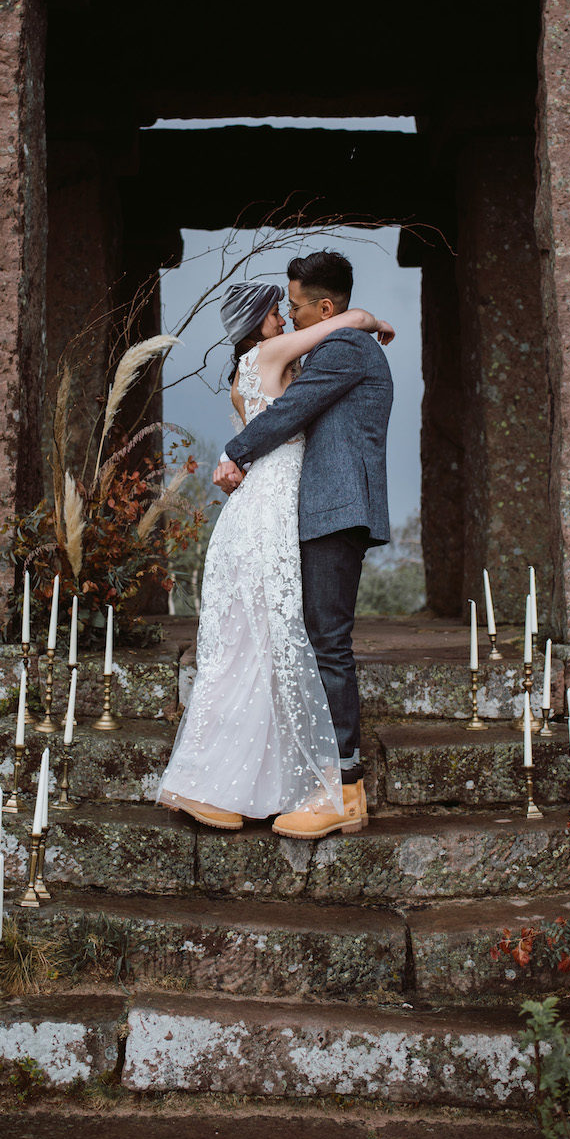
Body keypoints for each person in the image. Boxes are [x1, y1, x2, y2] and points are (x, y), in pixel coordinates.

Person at [156, 273, 394, 833]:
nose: (284, 319)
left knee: (261, 642)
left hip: (269, 508)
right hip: (271, 508)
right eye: (275, 312)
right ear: (255, 324)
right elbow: (352, 321)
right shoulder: (267, 353)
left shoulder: (255, 369)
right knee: (275, 639)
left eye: (288, 308)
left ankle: (238, 783)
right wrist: (374, 320)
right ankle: (309, 784)